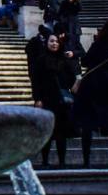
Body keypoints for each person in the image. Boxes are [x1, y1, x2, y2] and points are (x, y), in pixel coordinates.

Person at [73, 19, 108, 168]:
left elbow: (85, 62)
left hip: (91, 85)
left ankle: (86, 161)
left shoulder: (98, 44)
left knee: (87, 124)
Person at [31, 33, 80, 167]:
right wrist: (37, 99)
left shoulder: (64, 60)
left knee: (61, 133)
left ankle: (62, 161)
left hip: (61, 101)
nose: (54, 44)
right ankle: (45, 161)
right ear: (47, 43)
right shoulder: (41, 60)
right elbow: (36, 81)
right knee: (46, 133)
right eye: (52, 41)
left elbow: (71, 79)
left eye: (57, 42)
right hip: (46, 99)